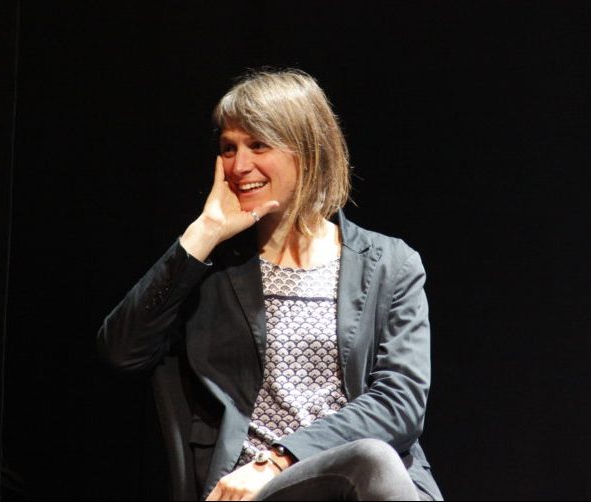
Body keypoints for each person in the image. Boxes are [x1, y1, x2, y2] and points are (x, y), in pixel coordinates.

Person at [97, 69, 443, 501]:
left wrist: (281, 458)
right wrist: (204, 233)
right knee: (372, 460)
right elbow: (122, 351)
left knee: (372, 459)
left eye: (258, 145)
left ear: (309, 152)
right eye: (228, 148)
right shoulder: (212, 268)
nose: (239, 166)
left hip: (354, 478)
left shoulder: (390, 263)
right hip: (249, 490)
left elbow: (400, 403)